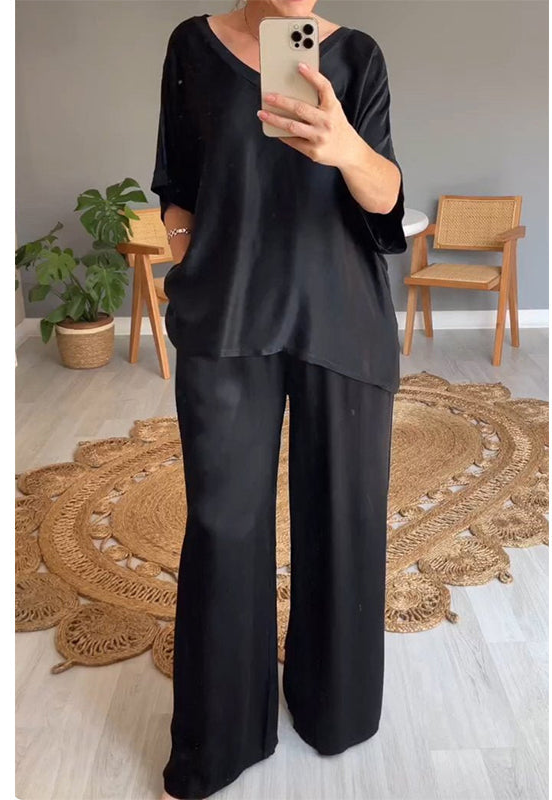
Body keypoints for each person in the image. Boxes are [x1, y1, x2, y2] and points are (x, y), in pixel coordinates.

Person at [152, 2, 407, 798]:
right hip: (228, 314)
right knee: (223, 526)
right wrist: (187, 257)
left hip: (342, 317)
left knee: (344, 519)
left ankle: (336, 708)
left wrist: (345, 149)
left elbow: (387, 199)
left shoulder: (358, 56)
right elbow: (177, 183)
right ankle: (222, 737)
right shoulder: (192, 46)